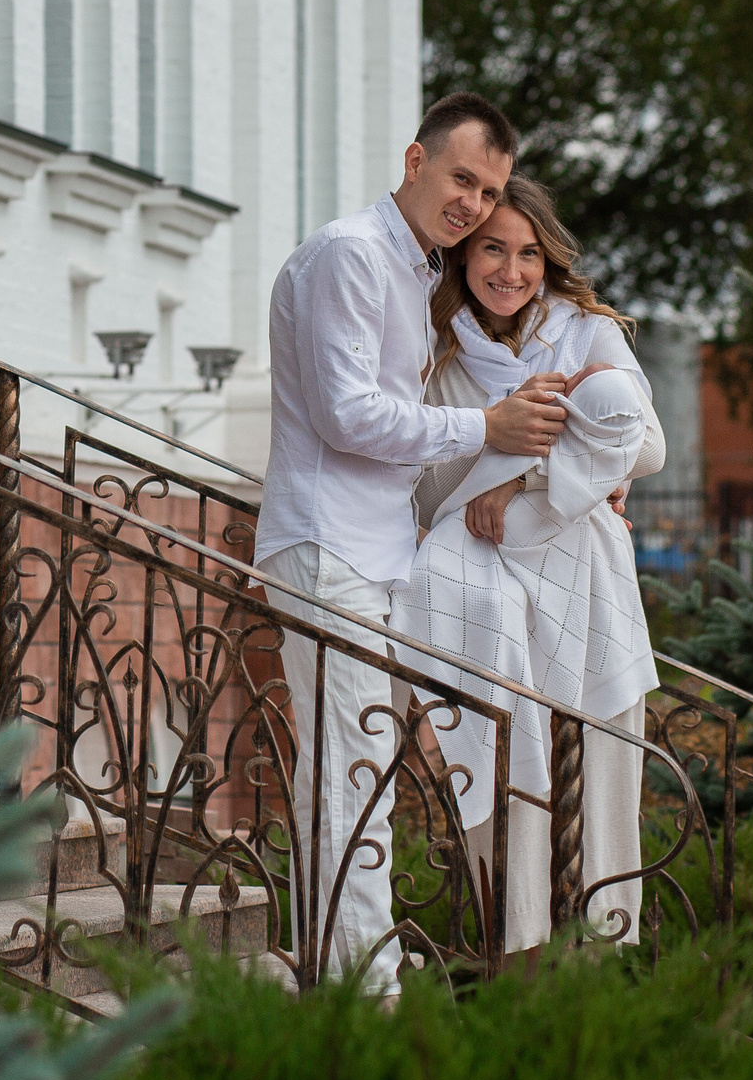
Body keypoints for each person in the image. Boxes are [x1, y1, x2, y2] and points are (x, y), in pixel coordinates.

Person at [253, 94, 568, 991]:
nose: (474, 202)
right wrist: (485, 429)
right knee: (355, 776)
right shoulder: (351, 254)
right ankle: (371, 990)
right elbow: (348, 416)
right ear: (415, 160)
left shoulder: (415, 270)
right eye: (463, 178)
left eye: (490, 189)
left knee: (350, 774)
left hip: (376, 553)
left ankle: (335, 972)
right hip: (327, 548)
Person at [392, 174, 664, 957]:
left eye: (528, 254)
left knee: (594, 755)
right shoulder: (436, 343)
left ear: (549, 261)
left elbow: (647, 444)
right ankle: (516, 944)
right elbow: (429, 468)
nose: (509, 270)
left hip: (576, 558)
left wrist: (528, 475)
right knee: (506, 750)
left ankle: (602, 945)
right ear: (461, 254)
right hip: (478, 564)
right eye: (491, 250)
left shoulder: (582, 330)